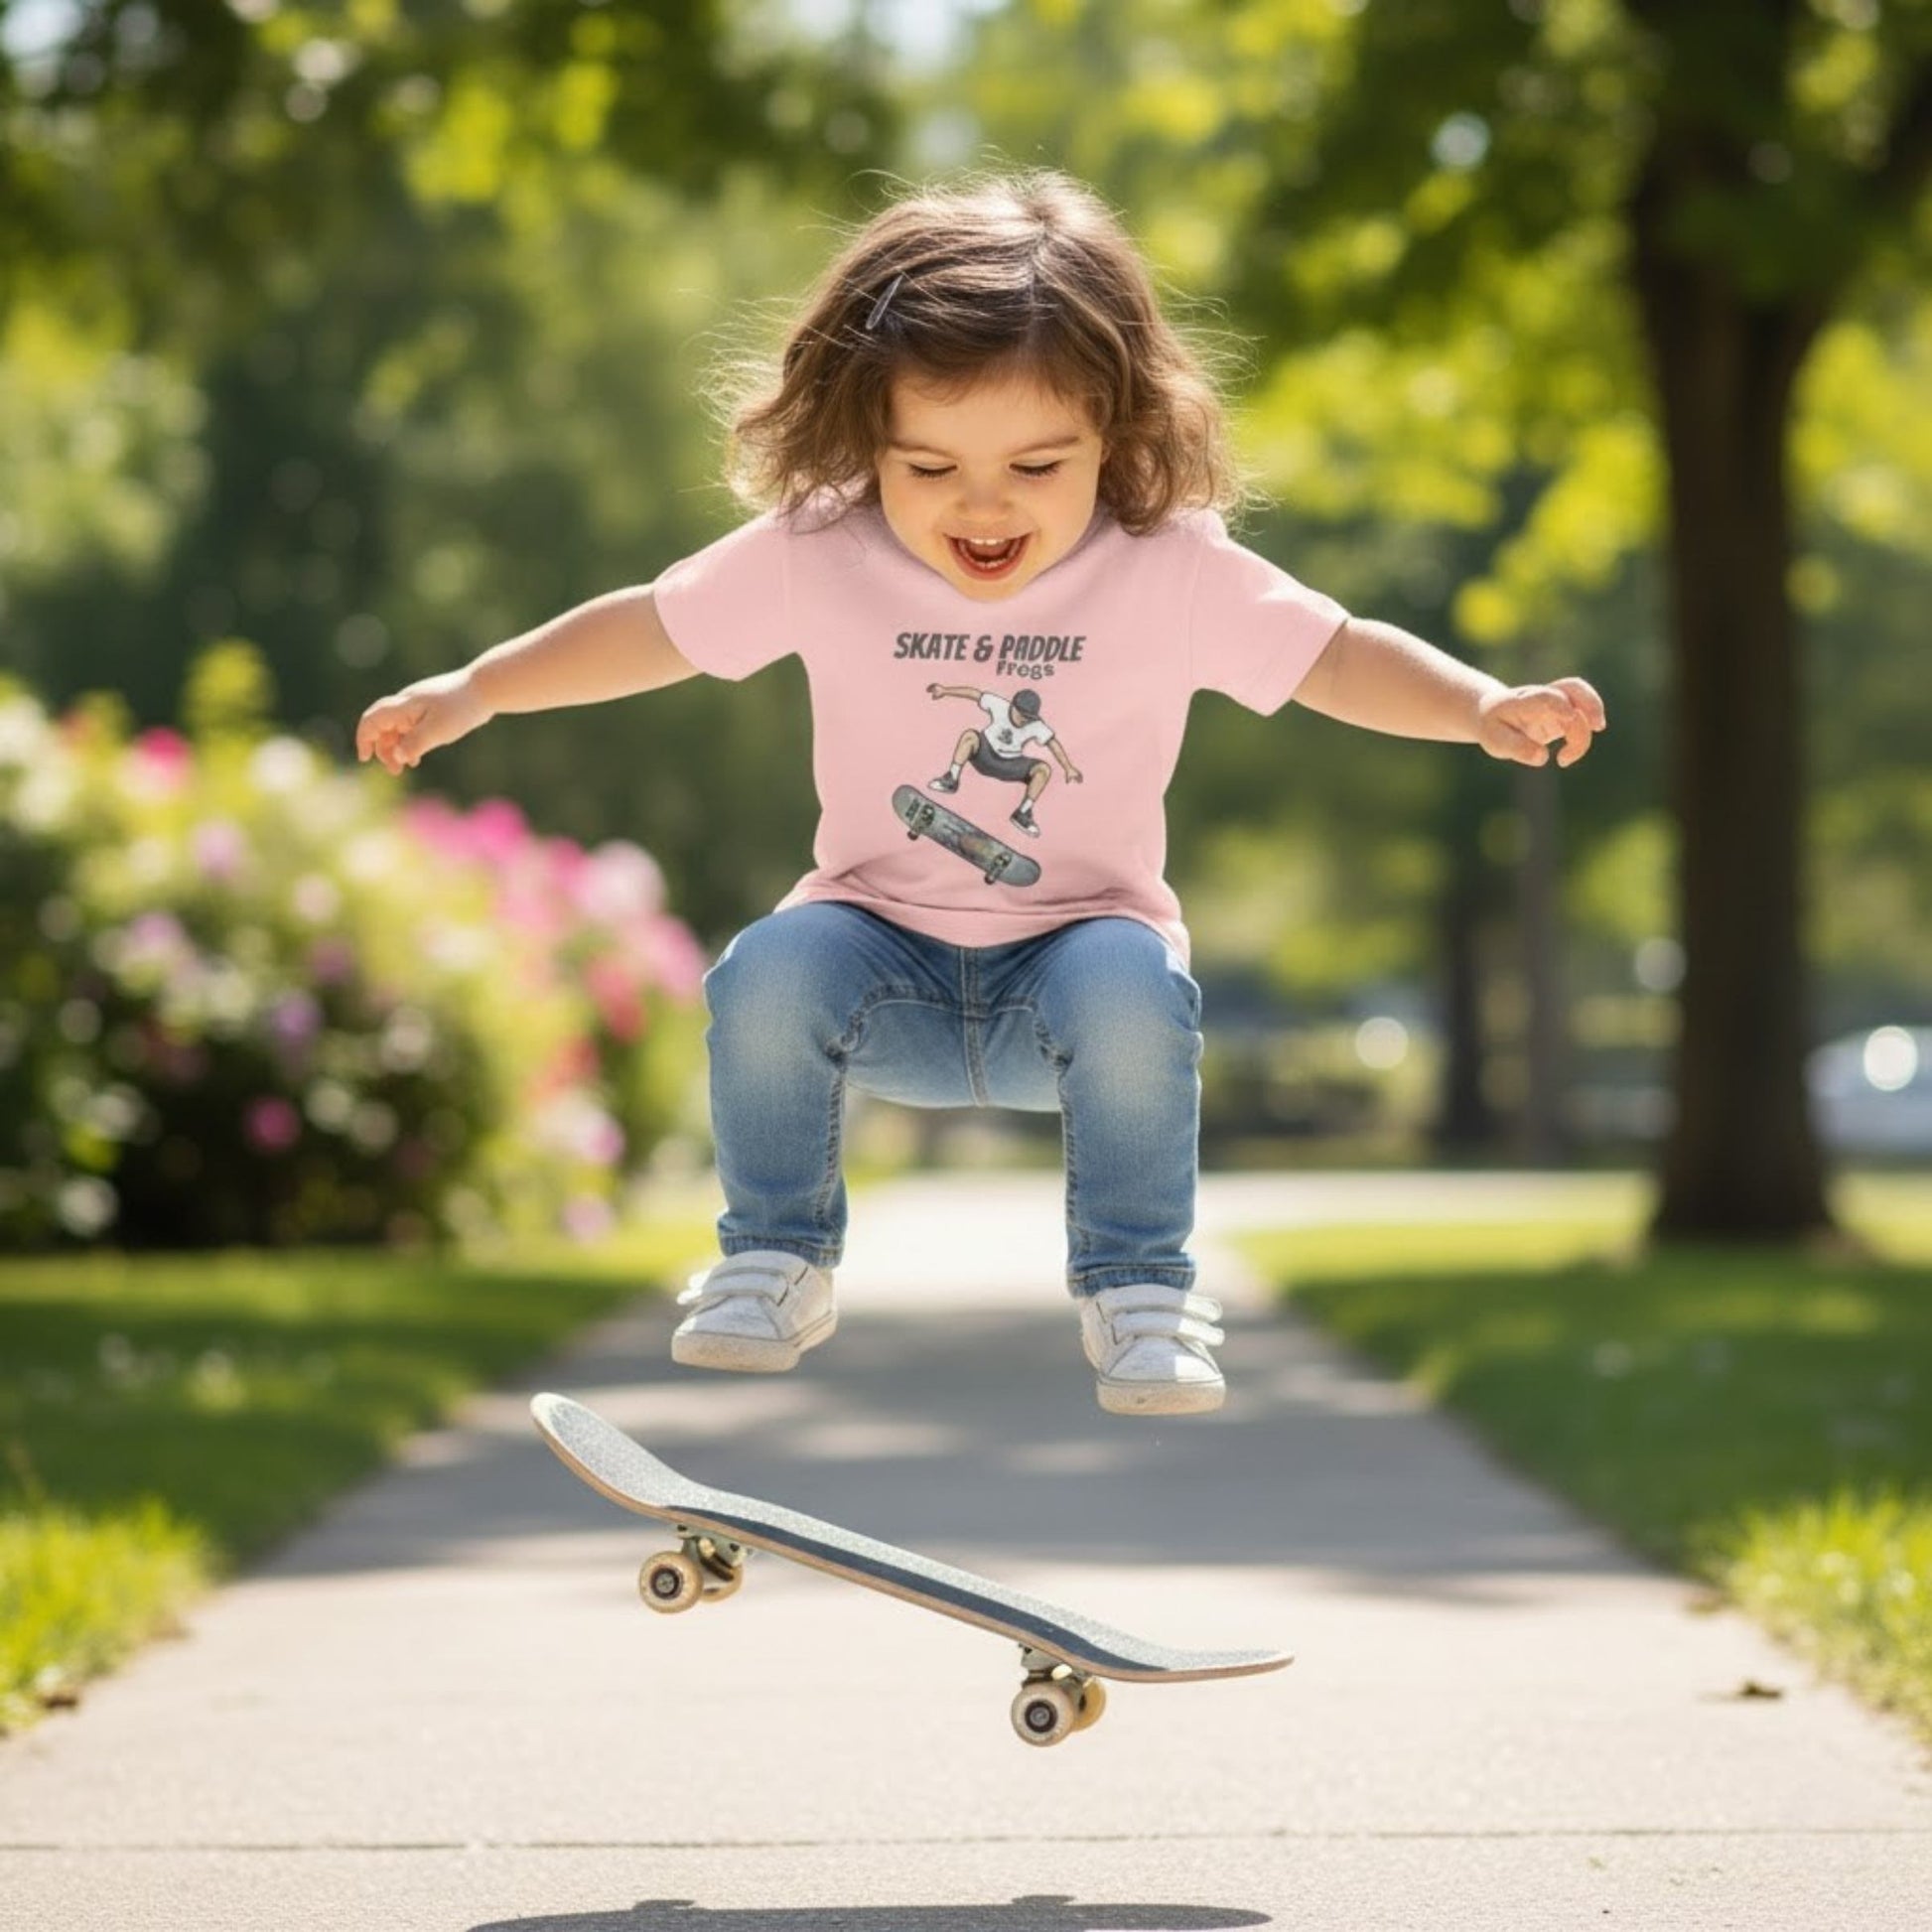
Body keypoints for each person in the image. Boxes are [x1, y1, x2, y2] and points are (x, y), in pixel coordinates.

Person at [355, 170, 1604, 1417]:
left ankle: (1139, 1288)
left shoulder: (1168, 567)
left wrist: (1476, 705)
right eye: (930, 466)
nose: (982, 505)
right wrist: (481, 686)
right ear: (867, 442)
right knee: (768, 963)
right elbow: (653, 628)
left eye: (1035, 463)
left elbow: (1331, 650)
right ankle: (776, 1257)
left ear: (1112, 436)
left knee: (1131, 973)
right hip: (876, 962)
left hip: (1070, 975)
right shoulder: (822, 545)